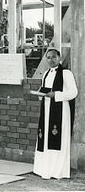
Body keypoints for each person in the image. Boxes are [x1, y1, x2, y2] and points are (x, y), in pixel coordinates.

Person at [33, 48, 78, 179]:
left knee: (58, 139)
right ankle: (44, 170)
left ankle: (57, 171)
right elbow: (44, 89)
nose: (51, 60)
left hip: (60, 110)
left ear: (60, 59)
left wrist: (56, 95)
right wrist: (38, 94)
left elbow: (73, 92)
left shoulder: (66, 73)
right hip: (47, 110)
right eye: (48, 57)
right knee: (45, 139)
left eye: (53, 57)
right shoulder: (46, 73)